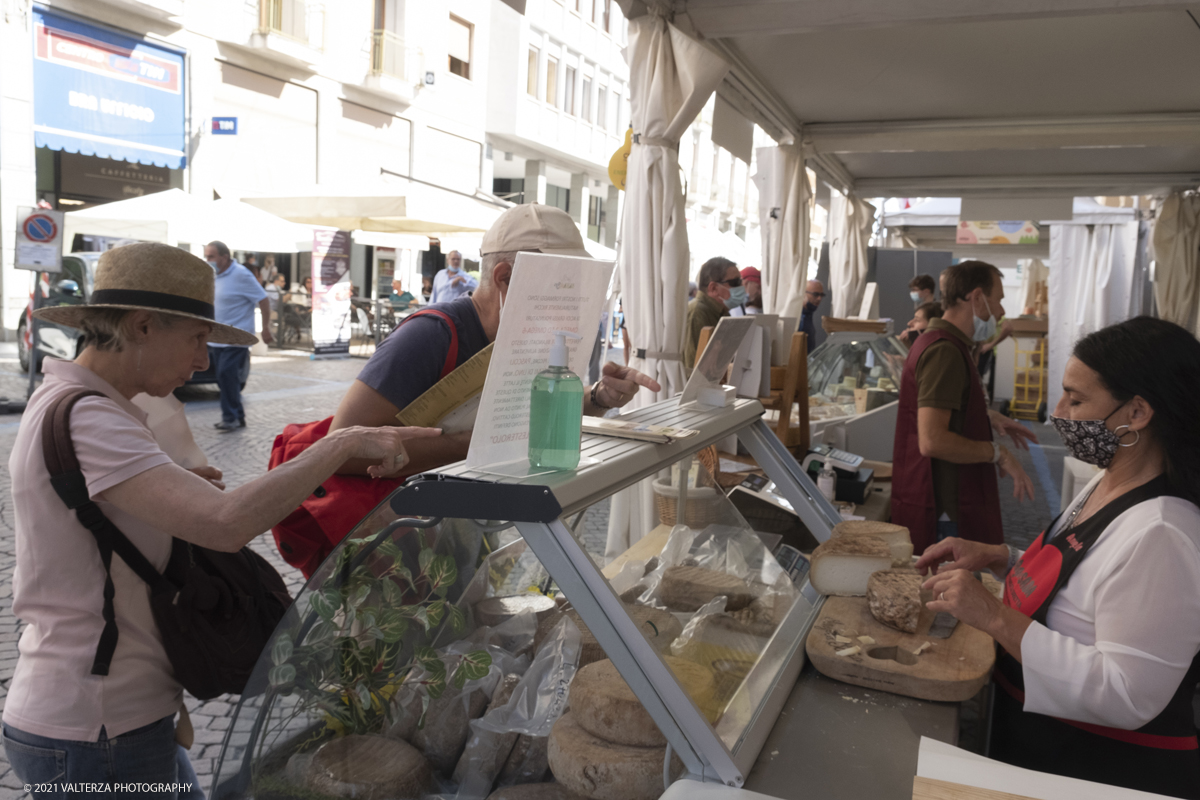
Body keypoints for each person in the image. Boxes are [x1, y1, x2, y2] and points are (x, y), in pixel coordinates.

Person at [4, 242, 434, 797]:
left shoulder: (87, 405)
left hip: (116, 717)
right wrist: (342, 443)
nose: (204, 360)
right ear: (140, 326)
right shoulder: (92, 419)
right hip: (97, 728)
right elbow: (227, 523)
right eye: (196, 337)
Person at [271, 205, 661, 576]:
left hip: (452, 535)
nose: (572, 299)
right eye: (563, 283)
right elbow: (341, 448)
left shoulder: (530, 335)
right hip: (387, 550)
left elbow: (526, 417)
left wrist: (595, 398)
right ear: (505, 277)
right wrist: (473, 444)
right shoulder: (429, 336)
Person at [918, 317, 1200, 798]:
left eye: (1076, 398)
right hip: (1039, 744)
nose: (1058, 412)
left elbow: (1127, 694)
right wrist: (1003, 558)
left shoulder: (1163, 533)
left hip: (1099, 772)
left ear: (1136, 412)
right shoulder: (1108, 479)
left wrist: (993, 616)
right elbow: (1087, 586)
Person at [891, 260, 1037, 555]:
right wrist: (999, 453)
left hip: (946, 499)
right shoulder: (944, 351)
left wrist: (985, 415)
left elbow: (942, 408)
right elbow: (932, 440)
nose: (1001, 311)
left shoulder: (947, 344)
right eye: (998, 300)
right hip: (946, 507)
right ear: (977, 297)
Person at [205, 240, 272, 431]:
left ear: (224, 257)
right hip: (218, 338)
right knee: (223, 377)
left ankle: (230, 417)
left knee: (227, 374)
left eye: (211, 256)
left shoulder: (241, 275)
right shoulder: (213, 275)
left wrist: (266, 327)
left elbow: (263, 299)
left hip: (237, 337)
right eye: (206, 256)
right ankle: (237, 416)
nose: (207, 260)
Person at [684, 257, 740, 372]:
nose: (740, 287)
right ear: (713, 288)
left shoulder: (721, 313)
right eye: (735, 283)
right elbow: (694, 370)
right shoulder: (697, 312)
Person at [798, 279, 825, 354]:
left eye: (821, 295)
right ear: (803, 293)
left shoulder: (808, 315)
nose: (819, 298)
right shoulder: (798, 317)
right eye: (815, 294)